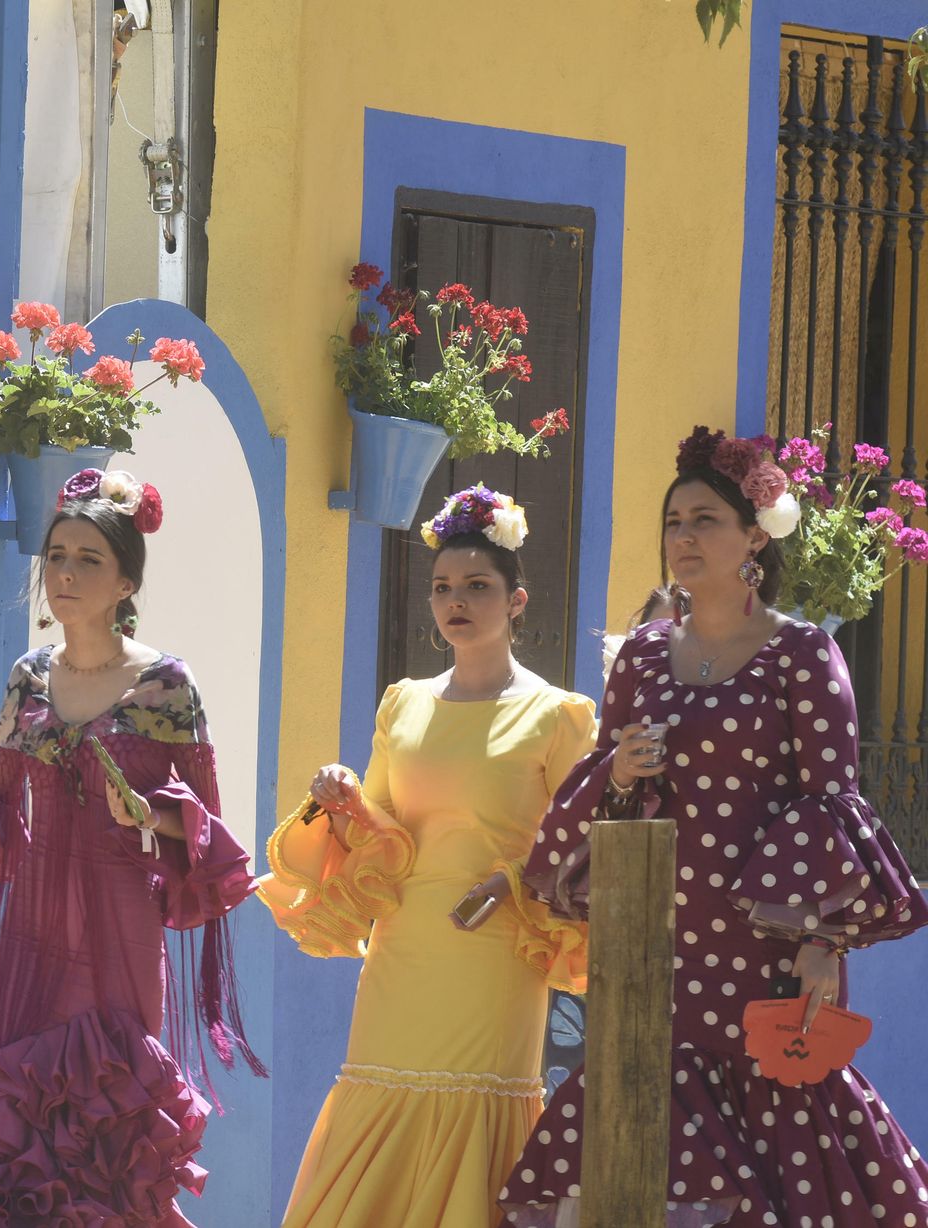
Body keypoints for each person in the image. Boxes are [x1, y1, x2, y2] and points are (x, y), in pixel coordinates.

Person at [501, 426, 928, 1226]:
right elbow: (605, 787)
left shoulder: (801, 653)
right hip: (653, 931)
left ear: (753, 539)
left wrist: (822, 942)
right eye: (673, 522)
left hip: (765, 941)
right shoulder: (641, 657)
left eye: (704, 520)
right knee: (636, 1119)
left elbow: (831, 799)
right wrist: (622, 771)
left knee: (778, 1108)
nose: (684, 537)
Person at [0, 467, 263, 1227]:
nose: (66, 573)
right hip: (35, 932)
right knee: (25, 1136)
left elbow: (210, 829)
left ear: (125, 580)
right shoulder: (28, 677)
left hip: (120, 930)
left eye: (88, 559)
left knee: (111, 1127)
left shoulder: (167, 685)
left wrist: (152, 814)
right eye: (57, 555)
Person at [259, 484, 597, 1228]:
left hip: (494, 955)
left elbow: (581, 846)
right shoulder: (402, 702)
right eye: (443, 586)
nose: (457, 600)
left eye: (478, 586)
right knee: (378, 1096)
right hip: (402, 949)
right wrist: (342, 794)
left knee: (477, 1115)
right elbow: (381, 833)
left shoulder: (556, 716)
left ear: (517, 601)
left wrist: (512, 882)